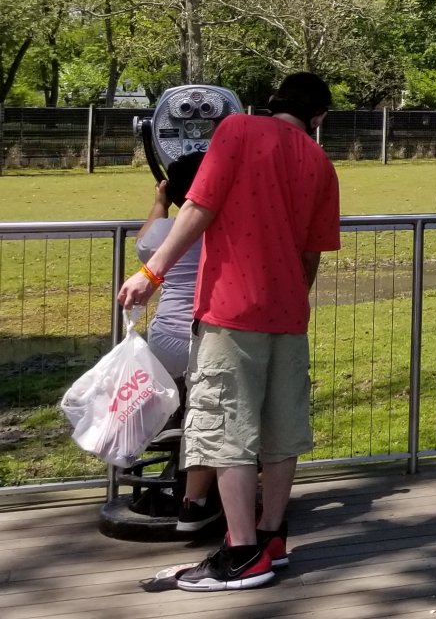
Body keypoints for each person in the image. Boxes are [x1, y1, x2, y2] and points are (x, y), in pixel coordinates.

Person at [118, 73, 341, 593]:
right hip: (288, 314)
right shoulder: (321, 162)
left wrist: (151, 273)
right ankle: (271, 539)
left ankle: (241, 555)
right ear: (319, 117)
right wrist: (291, 299)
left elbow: (198, 207)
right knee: (281, 430)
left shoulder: (238, 130)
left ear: (273, 102)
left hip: (231, 311)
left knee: (226, 429)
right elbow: (311, 254)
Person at [135, 153, 221, 534]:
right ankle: (198, 487)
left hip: (165, 337)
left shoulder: (163, 233)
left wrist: (159, 203)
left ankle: (173, 418)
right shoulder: (218, 227)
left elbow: (143, 244)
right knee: (208, 404)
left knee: (185, 389)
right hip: (206, 335)